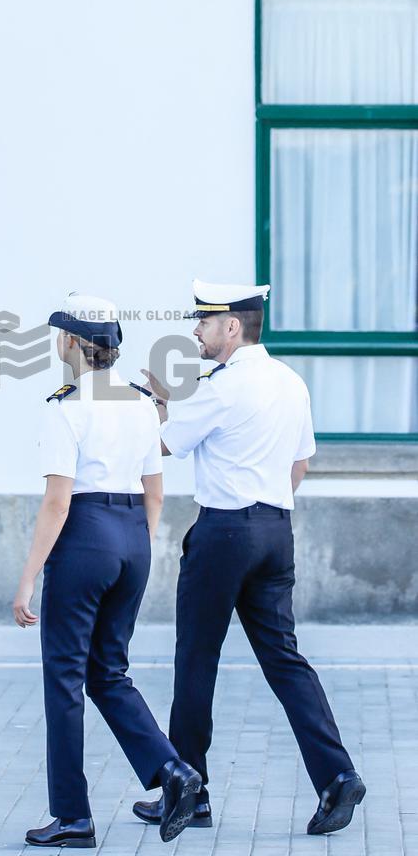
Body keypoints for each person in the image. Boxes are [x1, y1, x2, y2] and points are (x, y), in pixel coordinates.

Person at [132, 278, 366, 837]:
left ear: (231, 327)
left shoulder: (221, 385)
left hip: (224, 533)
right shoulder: (291, 382)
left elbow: (164, 444)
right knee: (285, 659)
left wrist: (155, 406)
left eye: (205, 323)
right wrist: (267, 511)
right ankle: (337, 776)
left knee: (195, 659)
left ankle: (188, 791)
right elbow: (301, 463)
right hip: (275, 529)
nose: (196, 331)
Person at [13, 293, 201, 848]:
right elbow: (156, 493)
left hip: (85, 538)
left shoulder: (65, 406)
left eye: (57, 336)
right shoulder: (142, 403)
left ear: (71, 342)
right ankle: (174, 772)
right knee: (109, 672)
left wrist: (28, 578)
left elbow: (57, 503)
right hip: (133, 539)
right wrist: (135, 548)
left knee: (65, 678)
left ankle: (72, 817)